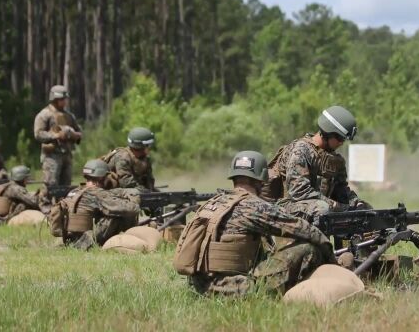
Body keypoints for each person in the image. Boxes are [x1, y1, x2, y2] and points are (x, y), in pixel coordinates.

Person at [174, 151, 336, 296]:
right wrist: (331, 255)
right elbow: (303, 229)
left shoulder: (212, 203)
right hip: (234, 289)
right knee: (308, 248)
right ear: (261, 180)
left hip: (199, 286)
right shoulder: (255, 206)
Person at [262, 106, 370, 221]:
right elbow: (299, 192)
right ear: (328, 132)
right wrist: (337, 207)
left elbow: (341, 191)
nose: (341, 143)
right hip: (286, 209)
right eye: (340, 138)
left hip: (314, 209)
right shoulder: (301, 150)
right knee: (323, 208)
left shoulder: (335, 160)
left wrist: (356, 203)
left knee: (365, 211)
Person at [61, 159, 141, 250]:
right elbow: (131, 209)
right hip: (84, 242)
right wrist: (135, 200)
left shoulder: (75, 191)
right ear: (101, 177)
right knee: (118, 214)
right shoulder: (99, 194)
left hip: (70, 239)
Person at [33, 85, 82, 196]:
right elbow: (38, 133)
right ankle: (47, 208)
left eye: (65, 99)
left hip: (67, 155)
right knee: (50, 185)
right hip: (51, 156)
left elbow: (79, 132)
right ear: (55, 99)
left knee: (66, 186)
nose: (65, 101)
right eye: (62, 99)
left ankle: (63, 208)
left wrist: (74, 135)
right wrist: (56, 136)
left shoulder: (69, 115)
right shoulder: (45, 114)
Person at [102, 127, 156, 192]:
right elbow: (125, 182)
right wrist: (144, 191)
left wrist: (150, 190)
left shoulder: (145, 159)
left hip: (133, 188)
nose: (149, 148)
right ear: (141, 146)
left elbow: (149, 179)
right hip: (114, 191)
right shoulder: (122, 157)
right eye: (148, 145)